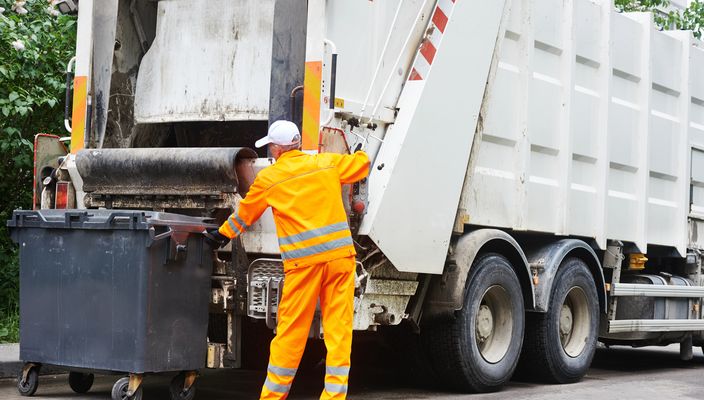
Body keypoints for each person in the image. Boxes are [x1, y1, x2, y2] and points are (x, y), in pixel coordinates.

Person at [204, 120, 370, 399]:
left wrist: (220, 236)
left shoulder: (270, 179)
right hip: (340, 261)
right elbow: (360, 166)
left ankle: (272, 397)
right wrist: (361, 151)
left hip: (304, 267)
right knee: (339, 332)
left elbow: (245, 215)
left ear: (278, 149)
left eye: (270, 145)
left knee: (291, 334)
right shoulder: (327, 163)